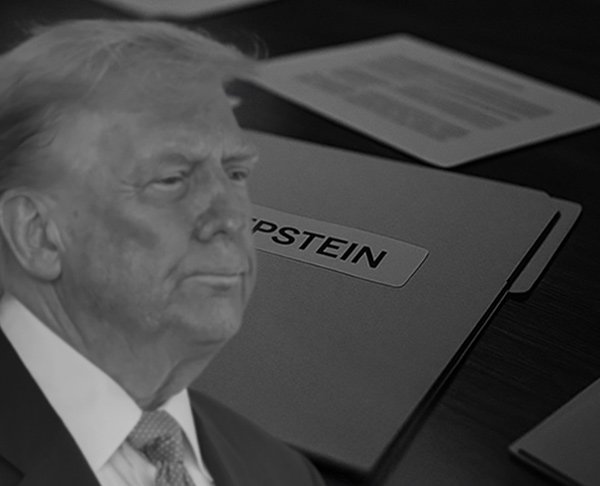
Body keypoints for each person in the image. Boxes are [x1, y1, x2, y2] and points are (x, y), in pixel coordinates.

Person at [0, 19, 325, 486]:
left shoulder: (284, 473)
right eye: (172, 179)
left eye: (235, 173)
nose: (231, 217)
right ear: (38, 234)